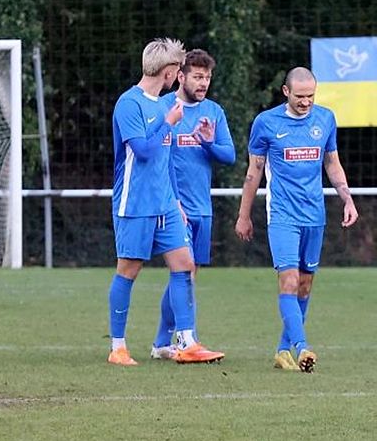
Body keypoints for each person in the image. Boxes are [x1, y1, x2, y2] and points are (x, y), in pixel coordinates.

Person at [107, 38, 224, 366]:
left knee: (185, 266)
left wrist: (177, 202)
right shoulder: (130, 104)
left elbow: (166, 159)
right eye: (177, 70)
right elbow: (143, 152)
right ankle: (118, 347)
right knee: (129, 270)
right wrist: (167, 123)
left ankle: (187, 341)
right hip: (136, 203)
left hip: (166, 205)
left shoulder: (164, 105)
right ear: (170, 71)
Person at [235, 67, 358, 373]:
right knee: (288, 281)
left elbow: (332, 163)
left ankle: (281, 350)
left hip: (314, 215)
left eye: (311, 96)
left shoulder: (326, 119)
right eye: (300, 96)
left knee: (304, 287)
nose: (306, 102)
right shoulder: (266, 123)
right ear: (286, 92)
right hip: (283, 216)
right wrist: (243, 215)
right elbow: (254, 173)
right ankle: (302, 347)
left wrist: (347, 197)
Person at [151, 49, 236, 359]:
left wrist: (207, 141)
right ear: (181, 76)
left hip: (203, 207)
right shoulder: (163, 107)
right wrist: (172, 201)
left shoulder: (213, 111)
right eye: (198, 77)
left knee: (188, 275)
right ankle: (188, 339)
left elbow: (229, 156)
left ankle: (161, 343)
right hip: (173, 207)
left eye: (208, 78)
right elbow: (156, 158)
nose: (203, 83)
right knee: (183, 272)